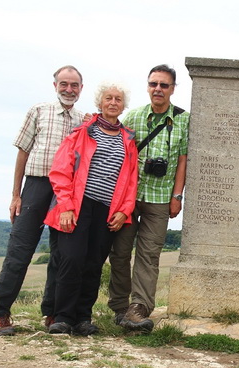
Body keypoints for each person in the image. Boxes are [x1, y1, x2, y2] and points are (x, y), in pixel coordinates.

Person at [0, 65, 85, 336]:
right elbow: (22, 152)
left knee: (60, 254)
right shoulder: (39, 110)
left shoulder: (83, 120)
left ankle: (52, 313)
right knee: (20, 251)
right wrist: (16, 194)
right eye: (64, 84)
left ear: (81, 89)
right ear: (55, 85)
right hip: (37, 184)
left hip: (65, 191)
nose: (69, 89)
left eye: (74, 85)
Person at [44, 82, 138, 335]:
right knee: (71, 260)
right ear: (100, 102)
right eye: (108, 98)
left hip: (107, 210)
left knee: (93, 264)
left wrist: (125, 210)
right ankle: (62, 317)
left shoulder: (128, 139)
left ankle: (83, 318)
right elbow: (60, 171)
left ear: (123, 105)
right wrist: (65, 206)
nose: (113, 102)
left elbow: (131, 180)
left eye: (118, 99)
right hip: (77, 206)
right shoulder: (82, 132)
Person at [108, 64, 189, 332]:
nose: (158, 89)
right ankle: (120, 306)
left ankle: (139, 308)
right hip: (130, 197)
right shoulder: (133, 117)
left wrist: (178, 195)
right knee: (119, 252)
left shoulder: (183, 120)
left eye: (164, 85)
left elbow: (182, 160)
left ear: (173, 89)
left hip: (161, 197)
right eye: (154, 84)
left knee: (149, 255)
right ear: (147, 86)